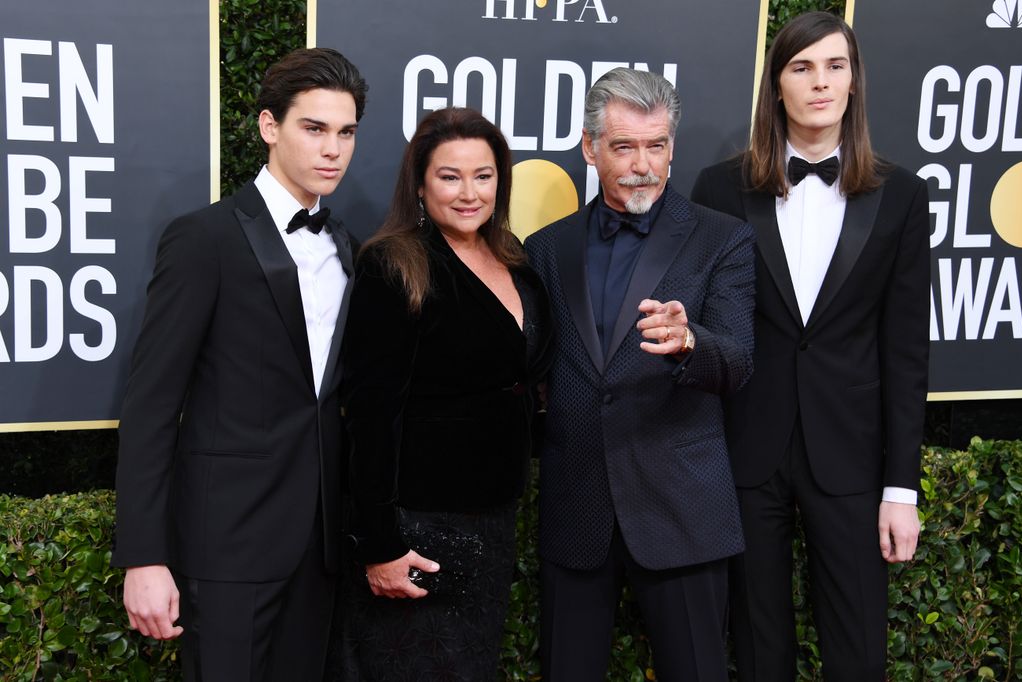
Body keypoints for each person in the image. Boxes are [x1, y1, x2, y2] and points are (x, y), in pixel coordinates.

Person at [111, 48, 367, 680]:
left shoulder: (348, 247)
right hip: (226, 543)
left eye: (346, 132)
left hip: (321, 544)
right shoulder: (204, 239)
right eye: (314, 128)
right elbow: (149, 405)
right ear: (268, 127)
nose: (332, 149)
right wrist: (143, 557)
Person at [691, 12, 929, 681]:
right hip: (747, 452)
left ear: (855, 82)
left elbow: (908, 351)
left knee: (858, 651)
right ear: (776, 86)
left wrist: (901, 490)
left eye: (834, 66)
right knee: (760, 649)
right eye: (801, 67)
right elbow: (704, 334)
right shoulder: (719, 189)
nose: (819, 83)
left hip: (850, 455)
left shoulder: (903, 196)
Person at [523, 67, 756, 681]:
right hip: (577, 511)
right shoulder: (547, 248)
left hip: (681, 510)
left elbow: (737, 362)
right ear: (590, 148)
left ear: (672, 149)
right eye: (624, 146)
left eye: (656, 146)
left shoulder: (721, 239)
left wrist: (689, 342)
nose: (642, 165)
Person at [336, 106, 552, 681]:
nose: (468, 193)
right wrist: (378, 544)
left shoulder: (513, 259)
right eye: (449, 176)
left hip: (492, 520)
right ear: (419, 184)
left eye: (483, 176)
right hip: (417, 527)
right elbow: (369, 412)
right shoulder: (394, 263)